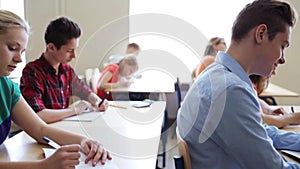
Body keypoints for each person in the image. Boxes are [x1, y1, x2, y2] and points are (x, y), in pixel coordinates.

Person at [177, 0, 299, 168]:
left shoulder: (214, 76)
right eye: (282, 45)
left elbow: (260, 132)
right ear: (261, 34)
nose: (283, 58)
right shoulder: (231, 91)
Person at [0, 10, 111, 169]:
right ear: (51, 47)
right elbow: (41, 118)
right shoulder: (32, 71)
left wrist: (83, 141)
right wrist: (42, 166)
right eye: (12, 48)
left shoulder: (7, 87)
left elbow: (39, 129)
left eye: (22, 52)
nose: (19, 59)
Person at [20, 17, 108, 124]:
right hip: (43, 132)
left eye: (75, 49)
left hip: (61, 127)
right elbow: (39, 115)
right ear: (51, 47)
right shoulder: (32, 71)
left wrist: (98, 101)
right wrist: (74, 110)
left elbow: (84, 91)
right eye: (69, 50)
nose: (74, 55)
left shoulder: (67, 70)